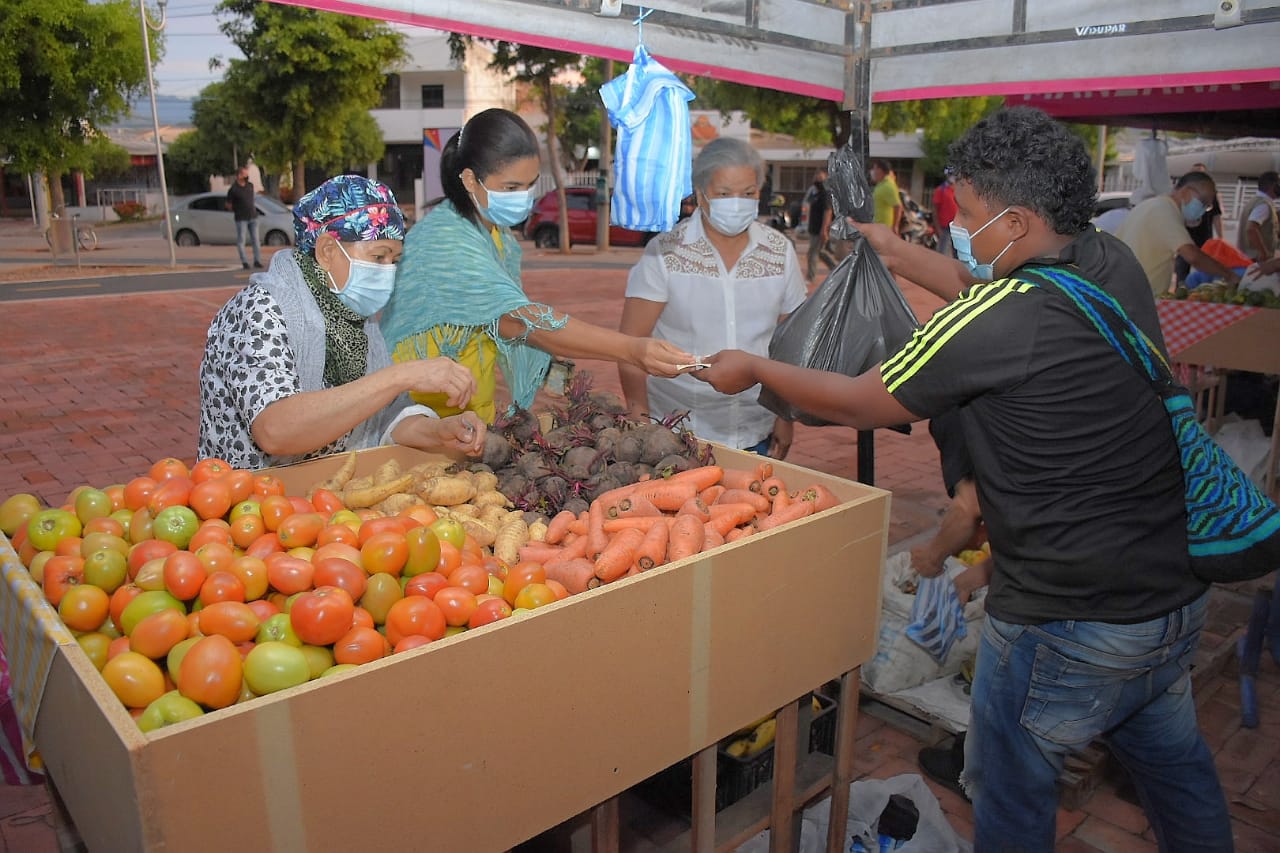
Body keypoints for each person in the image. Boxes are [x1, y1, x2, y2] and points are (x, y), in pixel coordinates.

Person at [694, 106, 1231, 852]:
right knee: (1179, 776)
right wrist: (892, 248)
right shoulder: (1107, 261)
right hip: (1170, 597)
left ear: (1012, 223)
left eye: (969, 214)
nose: (958, 229)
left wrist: (751, 366)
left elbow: (858, 399)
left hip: (1064, 620)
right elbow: (972, 275)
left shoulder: (996, 319)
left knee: (1011, 801)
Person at [380, 108, 692, 423]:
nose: (524, 197)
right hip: (416, 420)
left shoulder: (496, 236)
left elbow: (505, 321)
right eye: (511, 187)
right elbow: (516, 320)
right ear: (470, 180)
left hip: (467, 414)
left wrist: (553, 369)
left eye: (529, 185)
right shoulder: (444, 242)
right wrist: (632, 350)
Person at [198, 175, 486, 469]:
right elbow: (275, 430)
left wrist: (438, 432)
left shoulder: (353, 316)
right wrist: (402, 376)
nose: (387, 272)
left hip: (323, 496)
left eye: (394, 261)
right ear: (327, 251)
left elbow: (384, 415)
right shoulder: (260, 310)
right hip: (250, 499)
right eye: (378, 257)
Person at [617, 137, 807, 458]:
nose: (737, 203)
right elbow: (630, 345)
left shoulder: (779, 251)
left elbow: (792, 342)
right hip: (677, 432)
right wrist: (639, 420)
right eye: (723, 194)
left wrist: (785, 414)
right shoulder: (665, 252)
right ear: (701, 195)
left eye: (748, 193)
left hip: (756, 426)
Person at [1116, 170, 1241, 295]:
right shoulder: (1165, 211)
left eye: (1208, 206)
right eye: (1203, 202)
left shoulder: (1150, 205)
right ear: (1186, 192)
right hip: (1137, 296)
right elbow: (1192, 255)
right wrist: (1228, 274)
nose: (1203, 210)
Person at [1174, 163, 1224, 286]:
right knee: (1182, 275)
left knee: (1204, 277)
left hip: (1205, 240)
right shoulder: (1178, 201)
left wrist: (1221, 238)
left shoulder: (1211, 194)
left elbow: (1216, 217)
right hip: (1185, 240)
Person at [1236, 170, 1279, 264]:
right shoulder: (1264, 205)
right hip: (1256, 258)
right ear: (1273, 186)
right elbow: (1251, 229)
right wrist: (1263, 252)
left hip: (1246, 255)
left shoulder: (1254, 201)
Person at [226, 166, 263, 270]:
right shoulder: (233, 189)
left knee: (256, 240)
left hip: (253, 216)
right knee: (241, 240)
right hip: (241, 218)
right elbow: (228, 204)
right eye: (245, 174)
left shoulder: (250, 186)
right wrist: (236, 208)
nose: (247, 176)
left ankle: (257, 260)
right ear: (239, 176)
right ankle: (245, 262)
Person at [804, 169, 836, 282]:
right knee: (820, 252)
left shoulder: (826, 194)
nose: (817, 180)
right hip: (813, 227)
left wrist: (824, 230)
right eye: (816, 178)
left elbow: (828, 212)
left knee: (812, 253)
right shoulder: (815, 193)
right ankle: (836, 269)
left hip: (820, 229)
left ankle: (810, 277)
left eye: (820, 178)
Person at [870, 159, 902, 235]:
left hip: (884, 229)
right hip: (877, 227)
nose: (872, 172)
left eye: (874, 169)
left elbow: (898, 206)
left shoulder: (888, 186)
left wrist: (895, 226)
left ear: (880, 170)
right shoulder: (880, 184)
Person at [931, 174, 957, 256]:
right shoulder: (941, 190)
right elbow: (935, 210)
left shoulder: (958, 190)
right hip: (944, 227)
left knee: (958, 254)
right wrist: (938, 228)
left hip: (957, 227)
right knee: (942, 252)